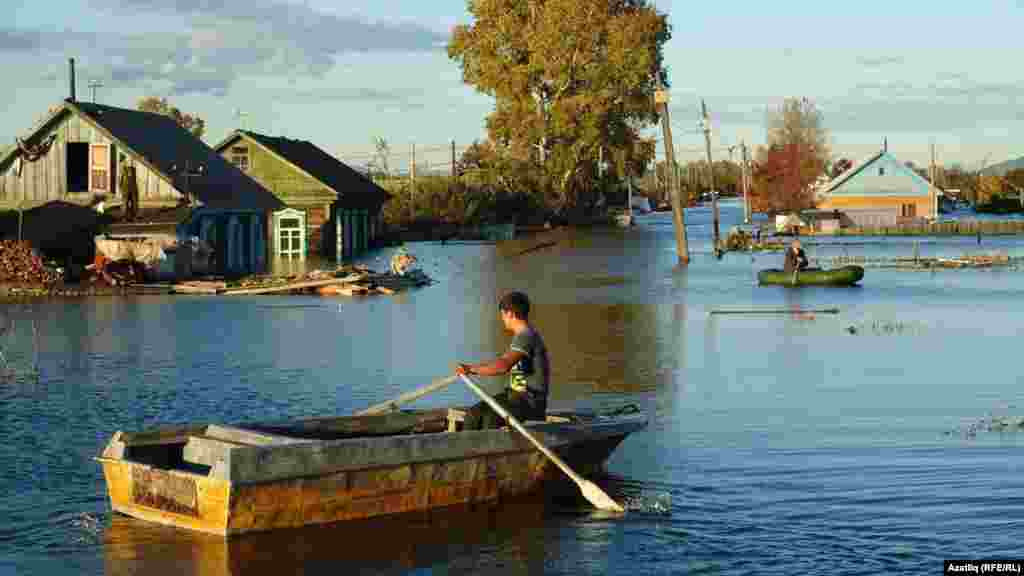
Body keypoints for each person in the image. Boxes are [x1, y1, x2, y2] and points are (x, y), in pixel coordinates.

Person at [456, 292, 550, 430]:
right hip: (515, 395)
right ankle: (468, 450)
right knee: (473, 414)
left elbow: (502, 366)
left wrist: (471, 369)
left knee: (490, 419)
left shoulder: (526, 336)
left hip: (531, 401)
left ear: (510, 314)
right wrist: (471, 369)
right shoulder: (521, 336)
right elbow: (502, 363)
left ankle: (490, 450)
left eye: (502, 315)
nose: (502, 319)